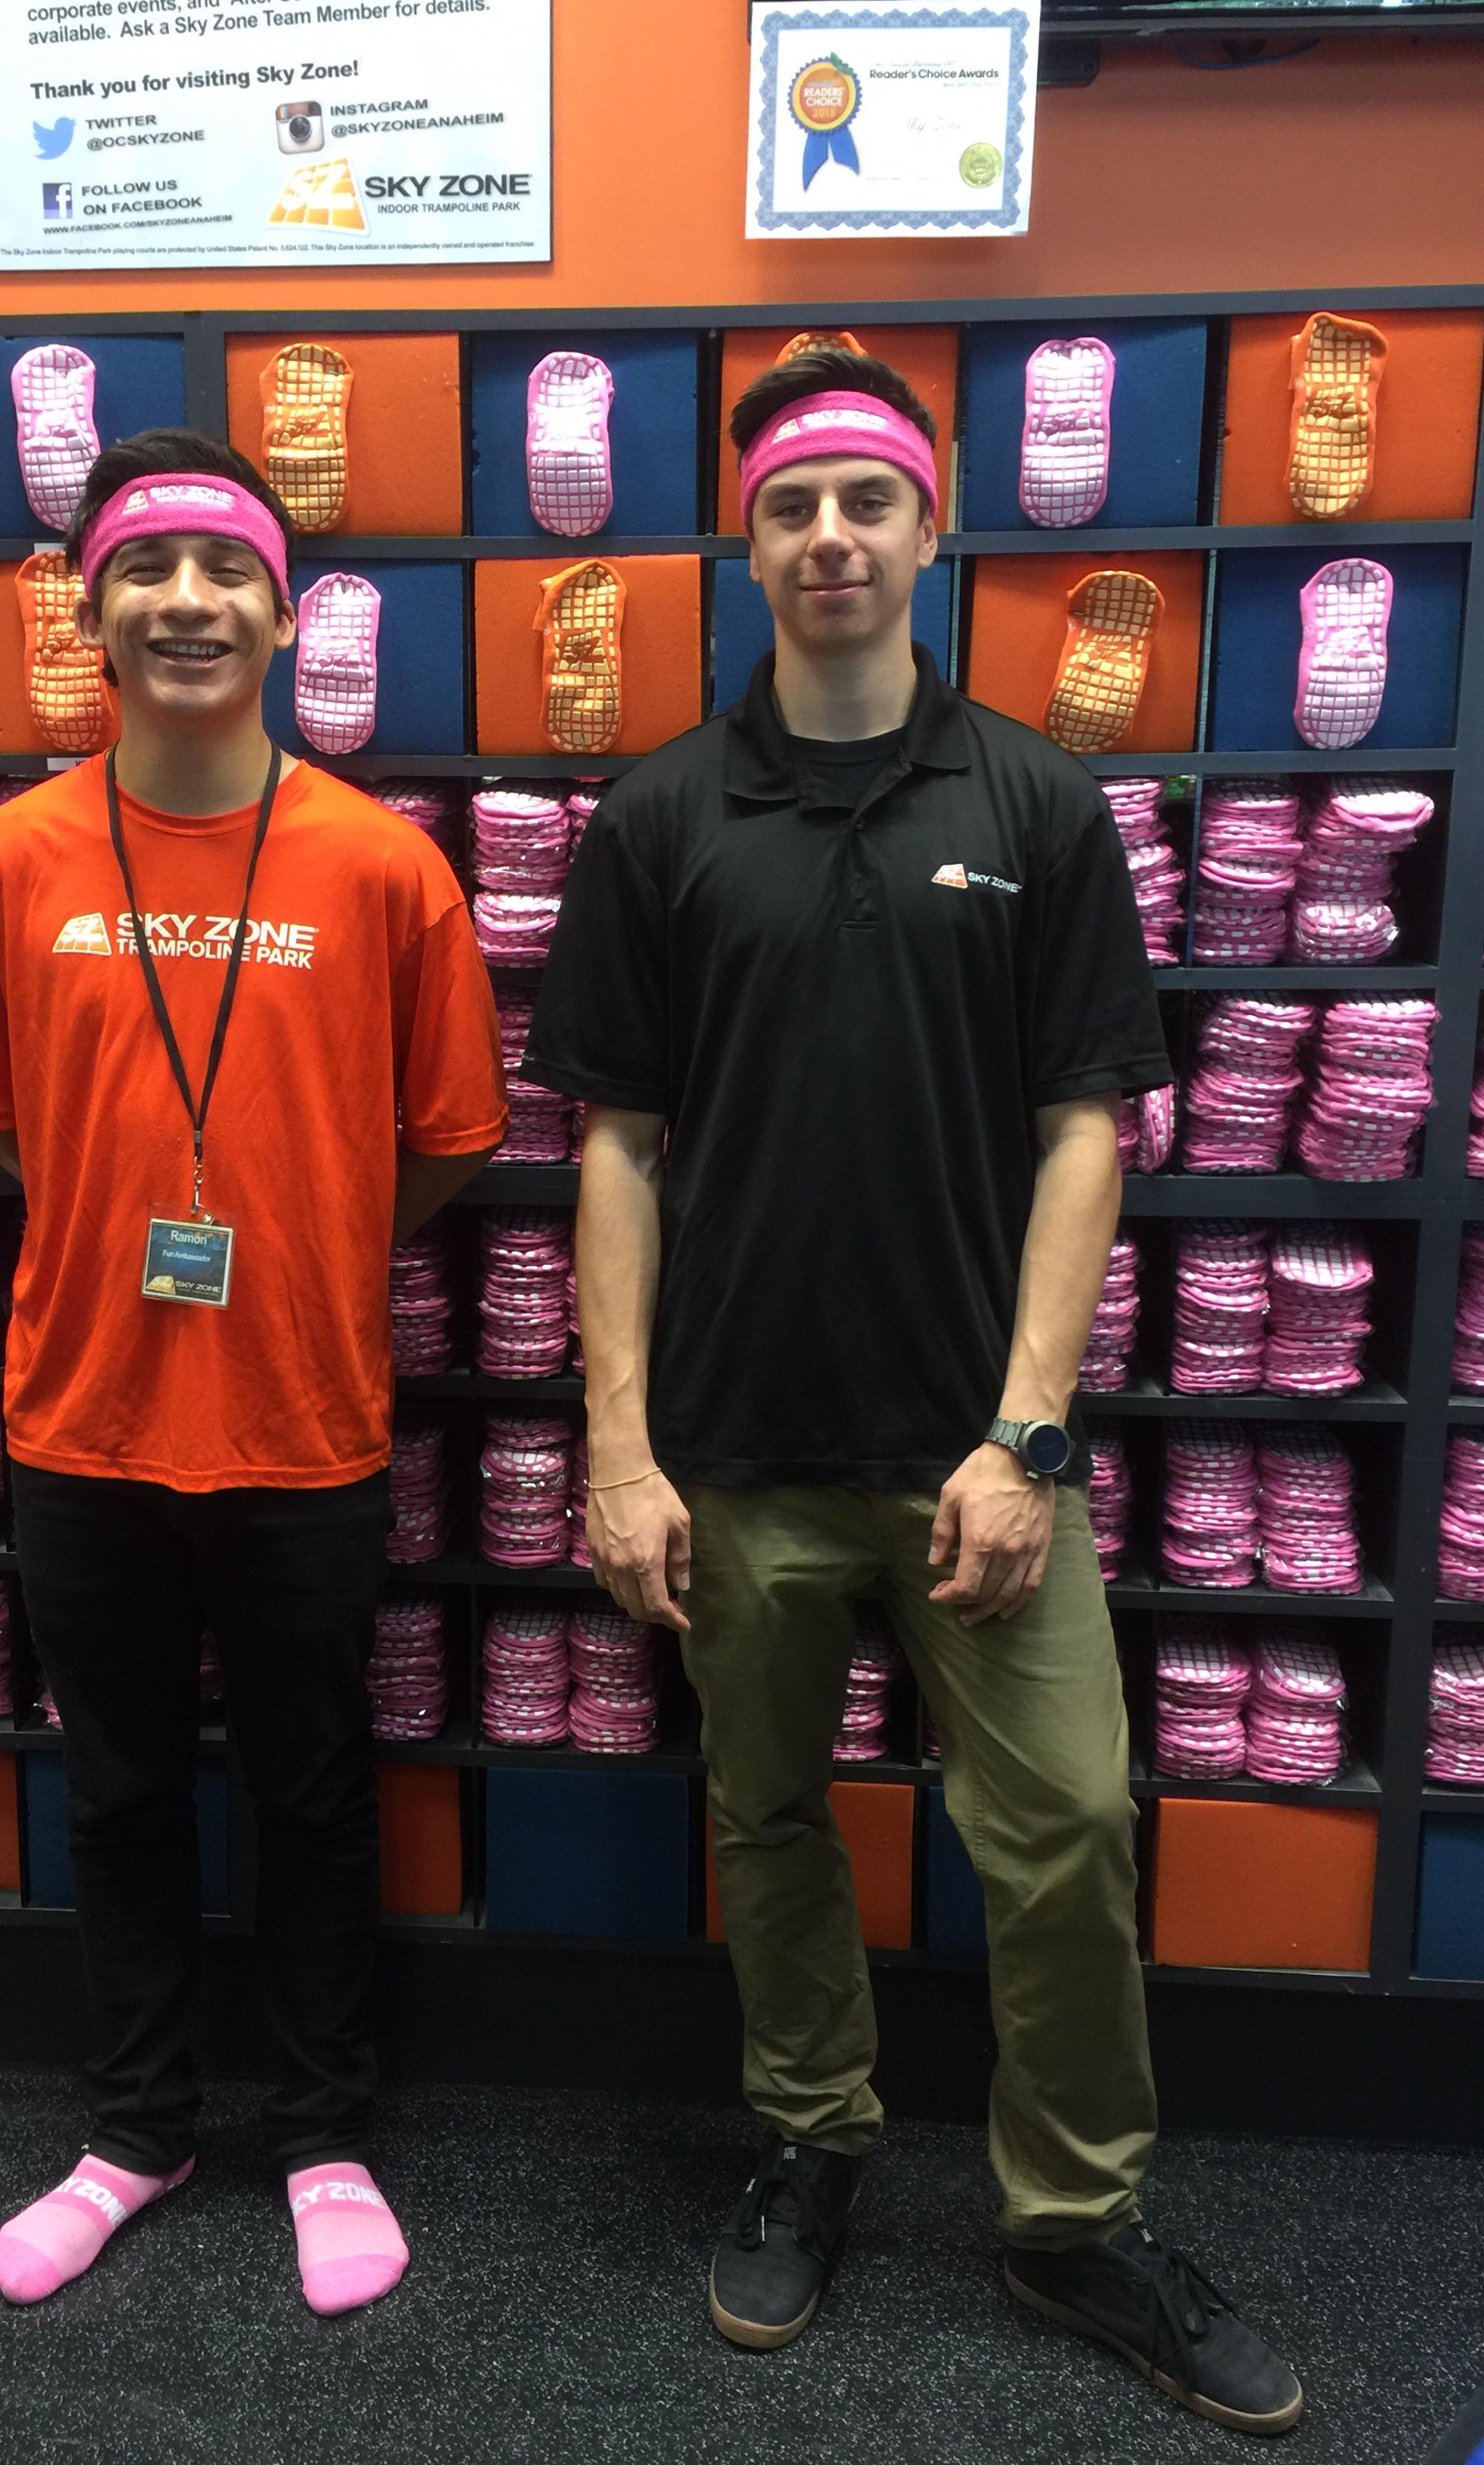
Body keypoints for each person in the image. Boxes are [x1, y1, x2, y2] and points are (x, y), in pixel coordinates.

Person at [523, 349, 1303, 2436]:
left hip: (982, 1453)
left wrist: (1028, 1434)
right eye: (793, 507)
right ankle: (814, 2137)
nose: (832, 539)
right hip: (741, 1452)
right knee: (768, 1818)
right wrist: (619, 1450)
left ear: (932, 529)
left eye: (868, 501)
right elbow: (615, 1147)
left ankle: (1075, 2217)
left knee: (1066, 1830)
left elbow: (1087, 1129)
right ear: (747, 544)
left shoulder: (1035, 803)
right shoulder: (662, 816)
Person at [0, 429, 505, 2318]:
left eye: (226, 568)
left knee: (313, 1789)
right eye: (146, 569)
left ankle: (323, 2130)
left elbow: (446, 1142)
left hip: (302, 1416)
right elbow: (6, 1131)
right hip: (84, 1418)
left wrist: (311, 1234)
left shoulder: (385, 868)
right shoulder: (6, 864)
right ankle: (135, 2130)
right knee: (116, 1795)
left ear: (285, 610)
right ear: (88, 612)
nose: (188, 600)